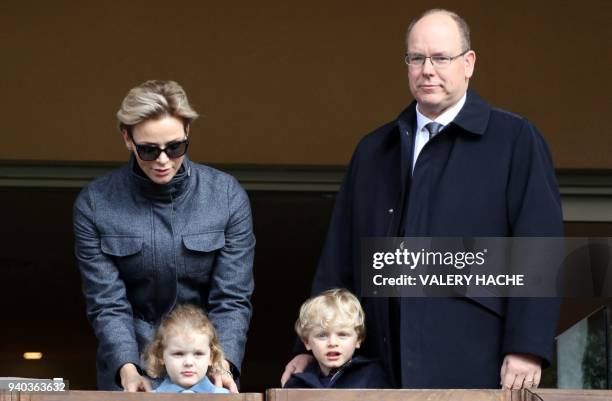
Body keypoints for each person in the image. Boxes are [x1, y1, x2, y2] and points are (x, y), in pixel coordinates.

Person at [282, 9, 563, 390]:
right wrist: (308, 344)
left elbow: (539, 247)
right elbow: (339, 258)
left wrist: (527, 347)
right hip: (380, 365)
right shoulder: (374, 150)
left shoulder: (514, 140)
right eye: (417, 58)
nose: (427, 69)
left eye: (441, 58)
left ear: (469, 63)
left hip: (476, 357)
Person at [73, 80, 255, 392]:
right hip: (132, 368)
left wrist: (222, 364)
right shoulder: (95, 204)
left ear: (188, 133)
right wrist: (126, 368)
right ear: (127, 138)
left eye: (175, 147)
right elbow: (107, 302)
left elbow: (232, 297)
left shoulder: (226, 196)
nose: (162, 161)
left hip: (205, 367)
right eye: (148, 149)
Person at [283, 288, 389, 389]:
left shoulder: (372, 377)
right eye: (322, 335)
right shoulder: (297, 383)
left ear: (358, 339)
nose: (332, 343)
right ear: (306, 342)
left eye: (342, 334)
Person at [143, 304, 229, 393]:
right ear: (161, 356)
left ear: (211, 357)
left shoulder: (226, 397)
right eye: (178, 354)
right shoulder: (150, 398)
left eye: (198, 353)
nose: (188, 363)